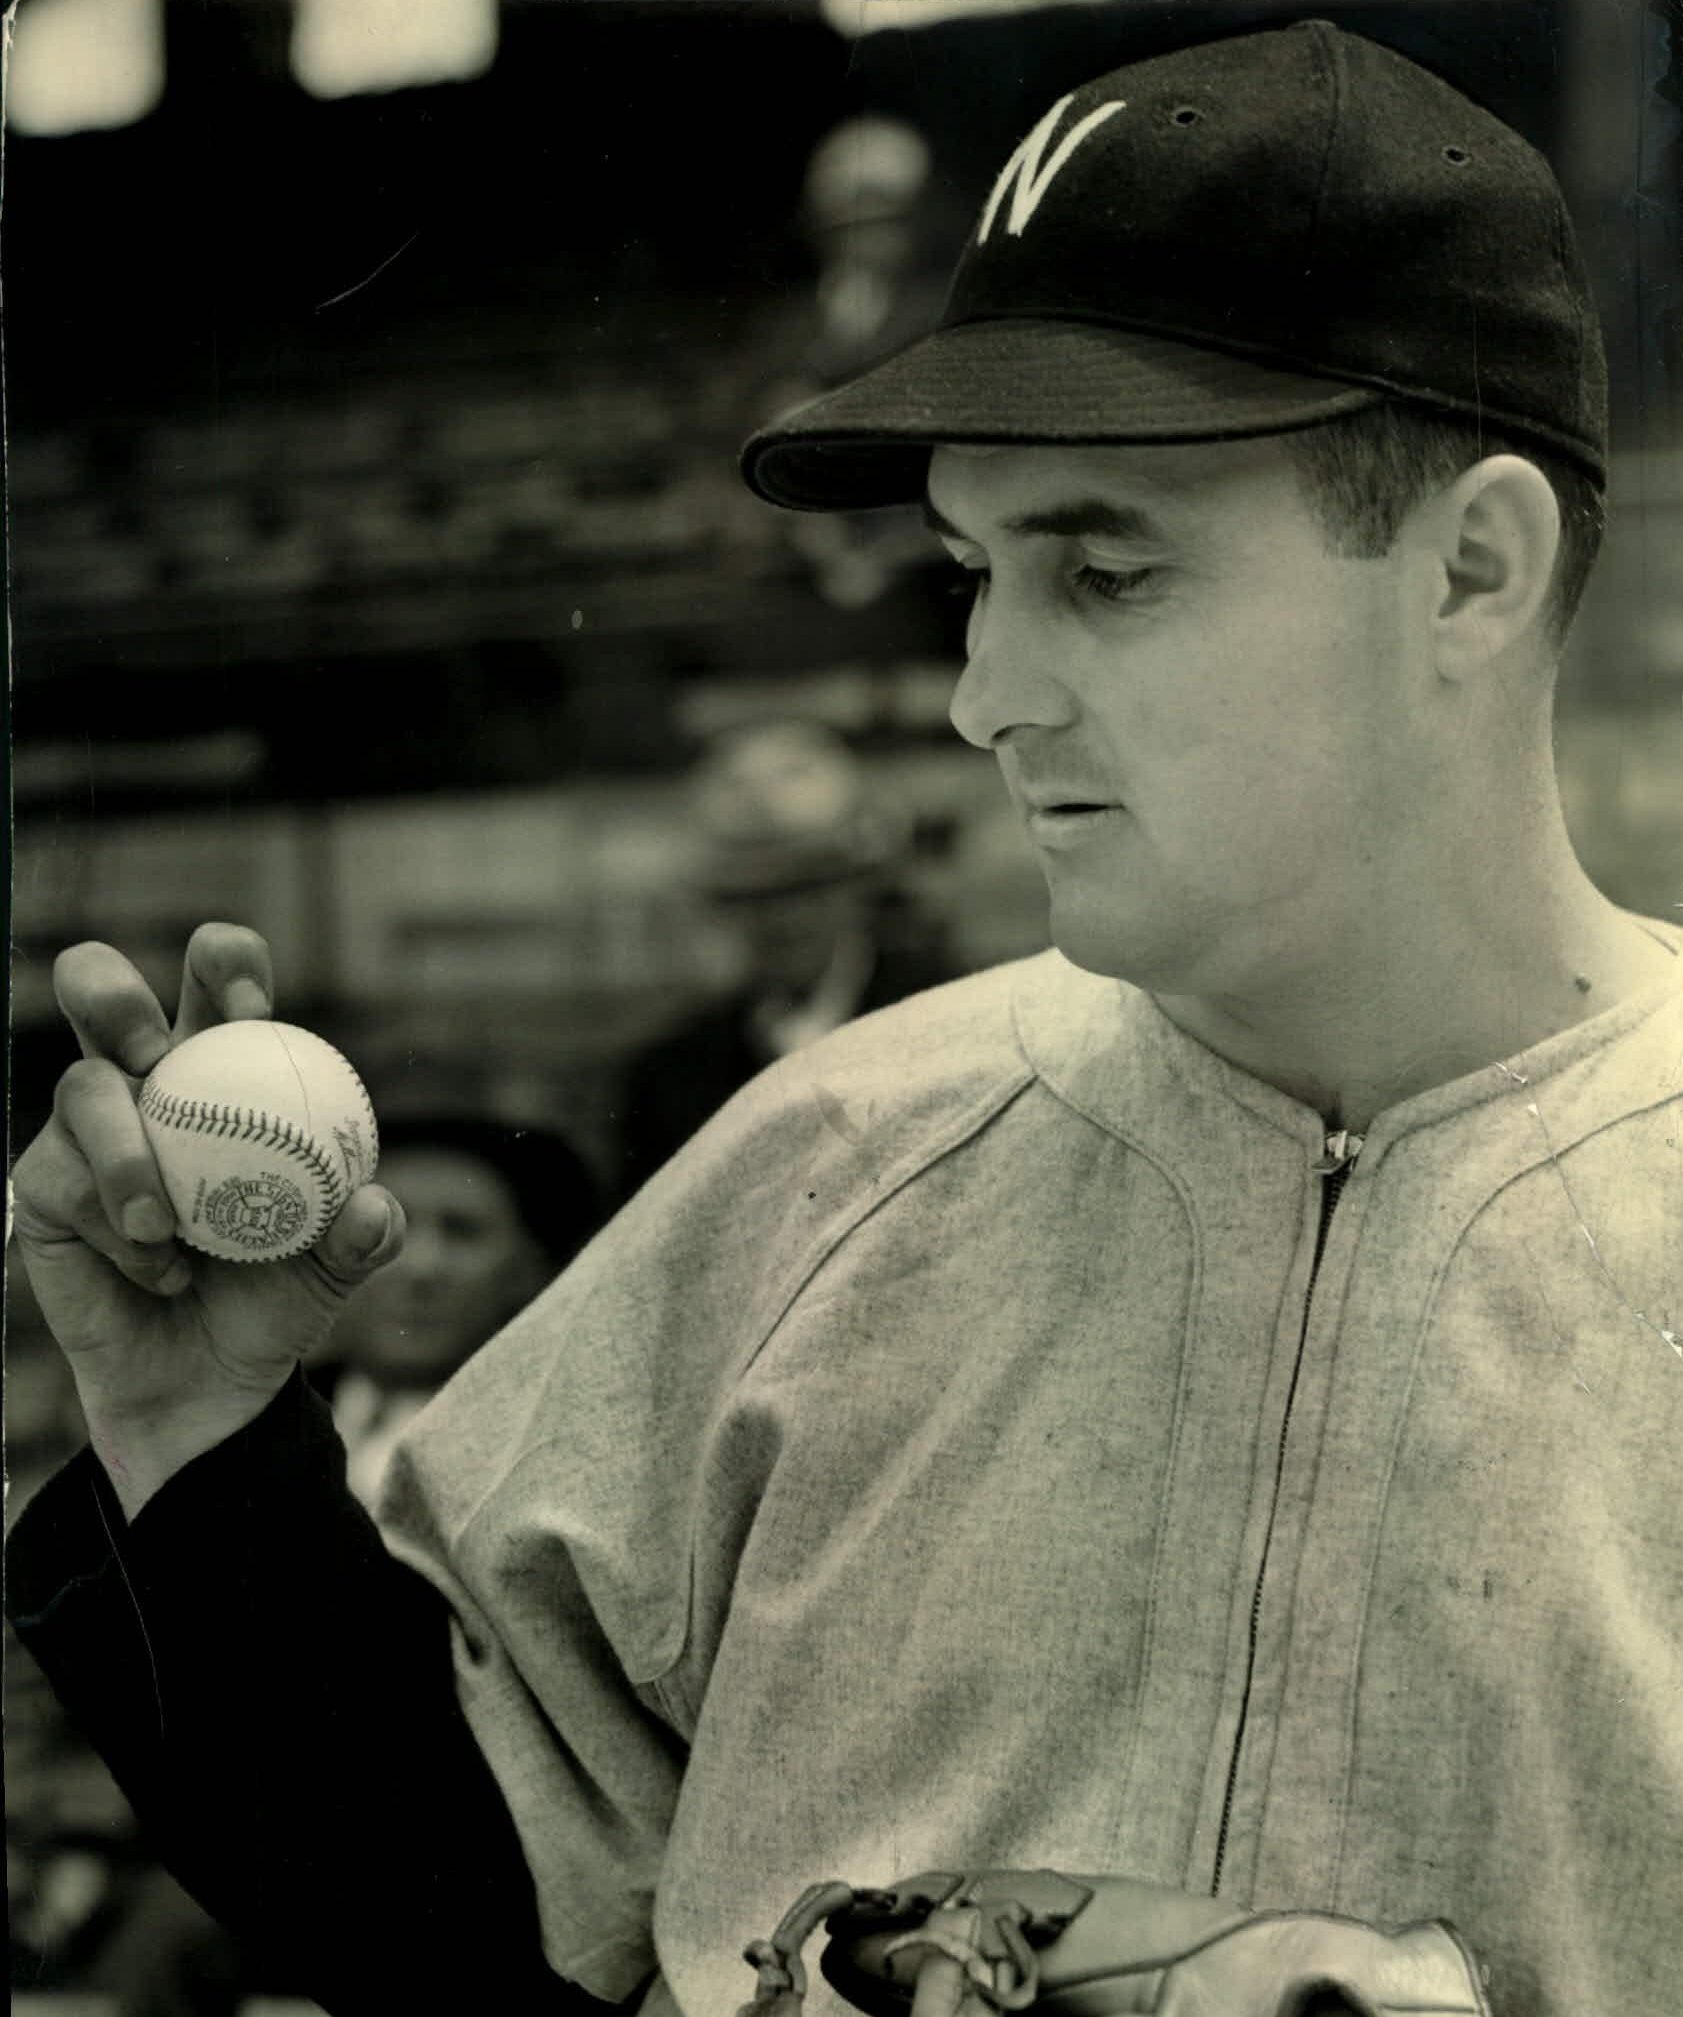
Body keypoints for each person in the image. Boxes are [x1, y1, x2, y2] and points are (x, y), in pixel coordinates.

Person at [7, 21, 1681, 2017]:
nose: (984, 694)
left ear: (1468, 571)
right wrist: (192, 1434)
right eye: (971, 574)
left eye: (1102, 571)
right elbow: (458, 1926)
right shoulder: (829, 1157)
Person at [617, 721, 953, 1195]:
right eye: (755, 897)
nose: (782, 919)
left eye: (807, 887)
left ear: (857, 887)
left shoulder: (946, 1025)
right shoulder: (674, 1075)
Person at [315, 1113, 604, 1506]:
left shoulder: (560, 1447)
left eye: (461, 1231)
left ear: (526, 1271)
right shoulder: (257, 1418)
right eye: (381, 1232)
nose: (421, 1268)